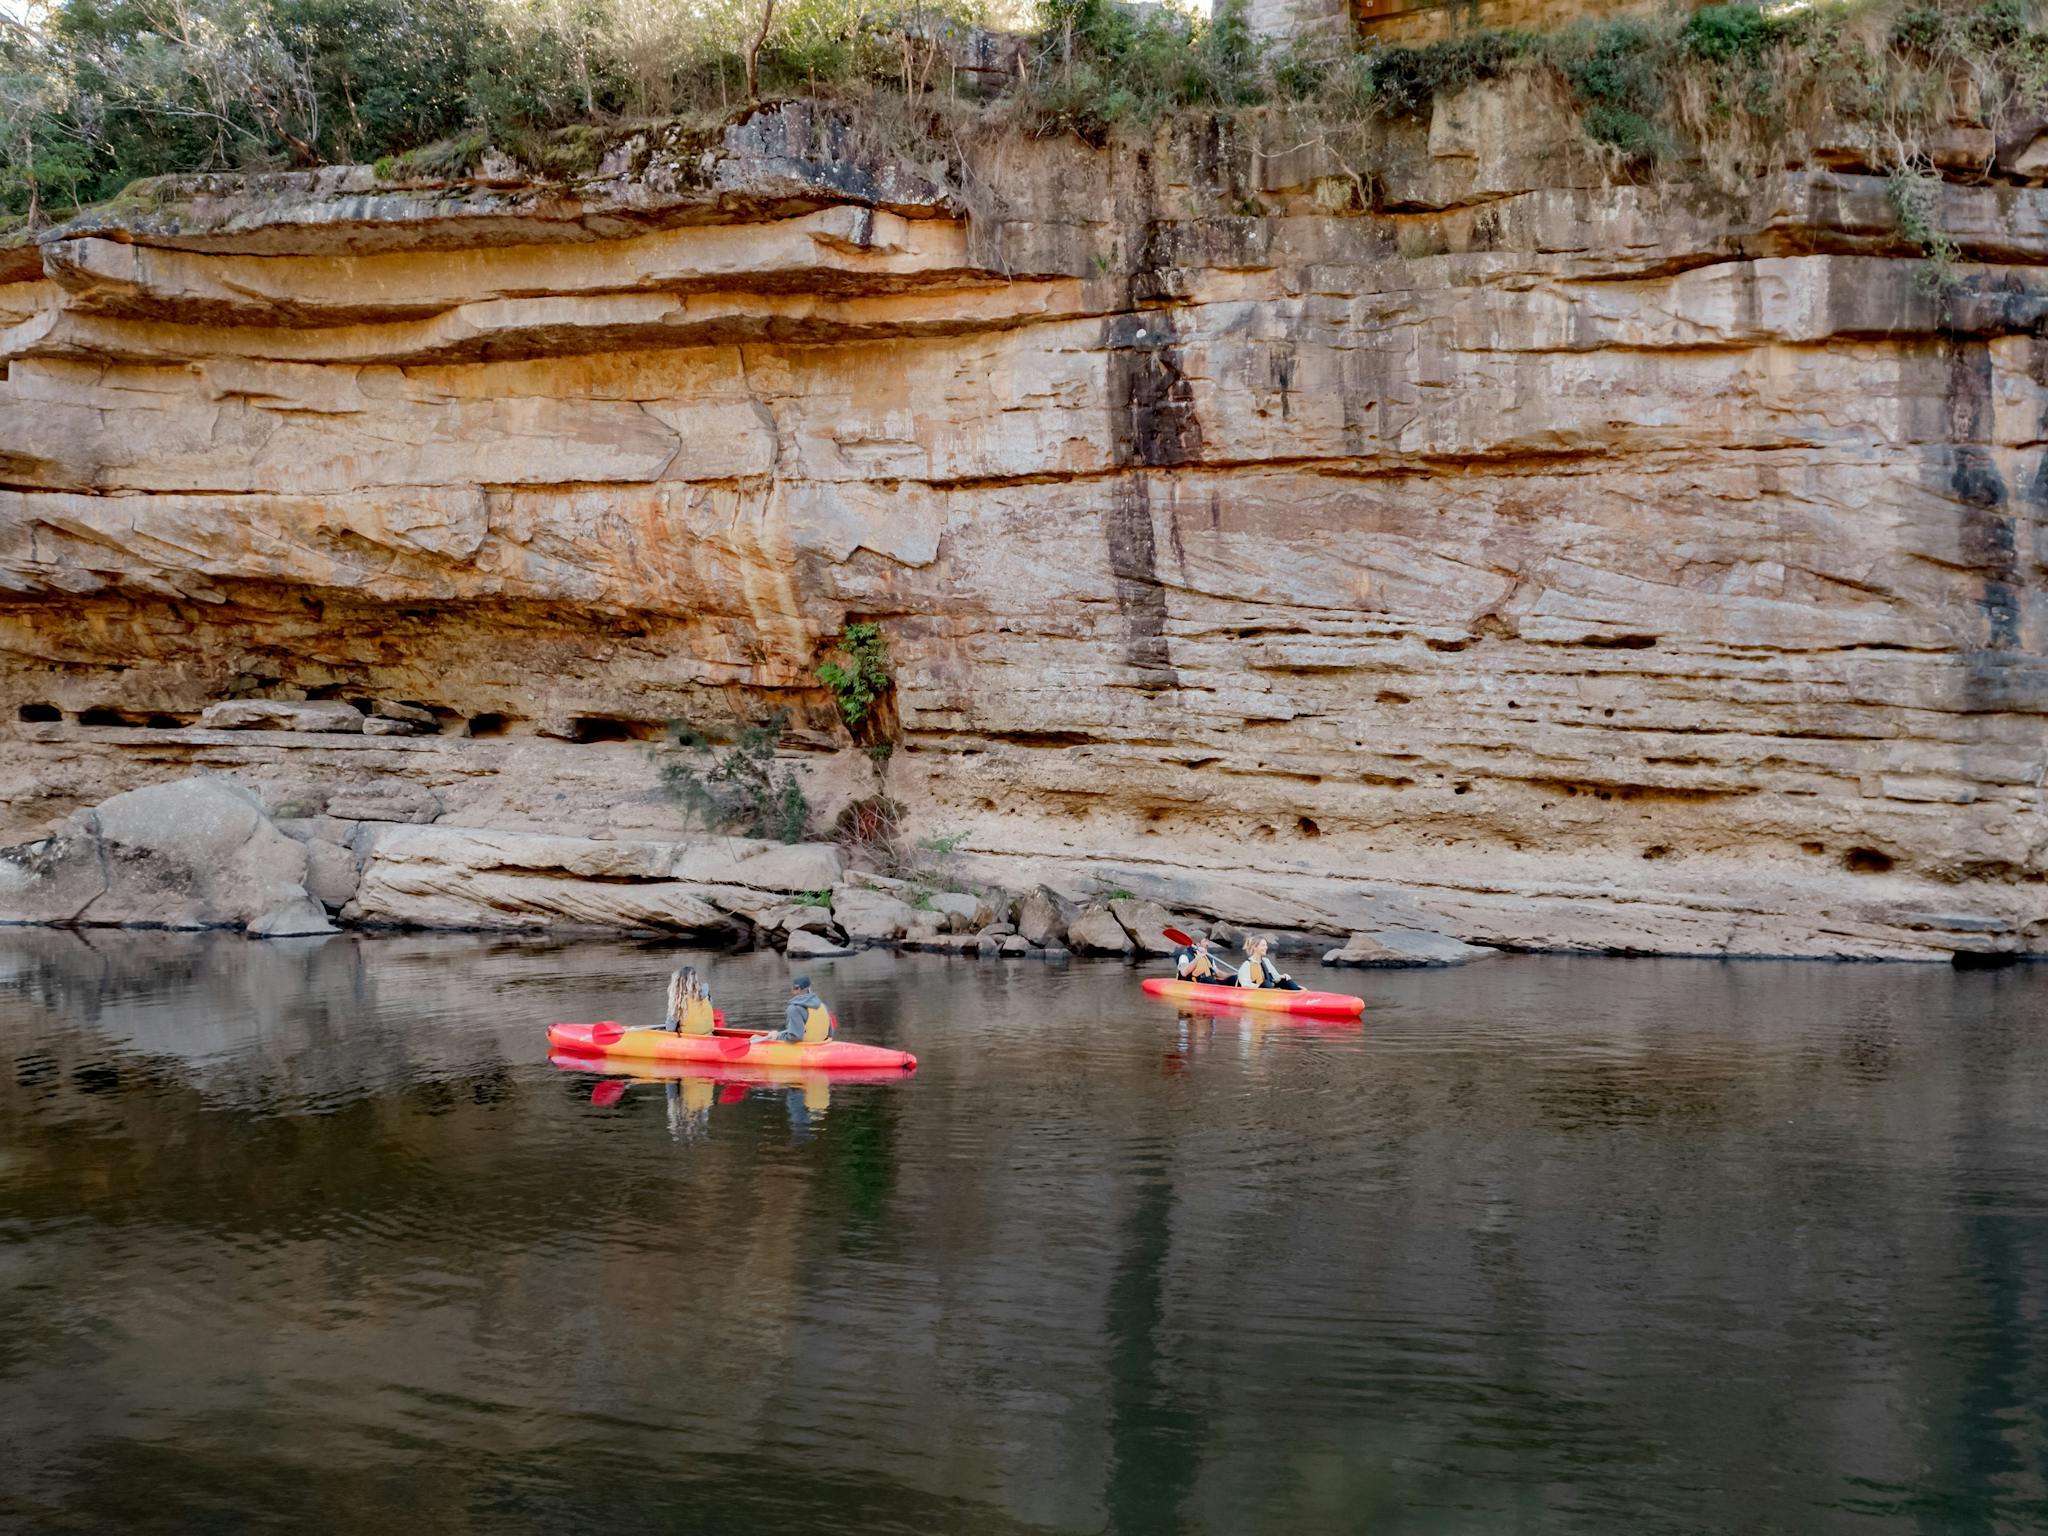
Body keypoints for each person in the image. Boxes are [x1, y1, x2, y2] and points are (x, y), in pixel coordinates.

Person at [760, 975, 833, 1044]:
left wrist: (777, 1036)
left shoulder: (793, 1009)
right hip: (821, 1045)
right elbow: (830, 1033)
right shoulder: (823, 1006)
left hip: (806, 1047)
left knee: (755, 1037)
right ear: (809, 988)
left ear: (794, 989)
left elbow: (795, 1037)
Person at [661, 966, 716, 1035]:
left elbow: (670, 1028)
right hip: (708, 1032)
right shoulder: (706, 993)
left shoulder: (678, 998)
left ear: (677, 983)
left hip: (690, 1035)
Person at [1236, 937, 1303, 991]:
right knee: (1266, 983)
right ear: (1255, 947)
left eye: (1266, 945)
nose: (1266, 947)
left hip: (1269, 988)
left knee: (1285, 980)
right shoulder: (1247, 965)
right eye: (1263, 945)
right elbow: (1245, 985)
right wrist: (1259, 985)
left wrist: (1283, 976)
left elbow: (1276, 978)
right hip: (1257, 991)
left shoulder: (1266, 961)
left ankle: (1298, 993)